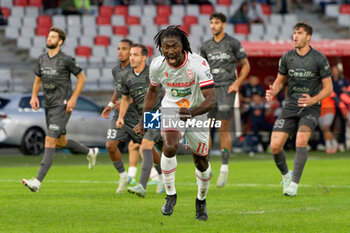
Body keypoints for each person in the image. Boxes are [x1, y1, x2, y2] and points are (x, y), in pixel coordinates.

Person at [133, 25, 215, 221]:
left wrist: (192, 113)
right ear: (161, 47)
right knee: (169, 146)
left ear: (183, 46)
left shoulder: (198, 64)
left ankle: (201, 201)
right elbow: (152, 92)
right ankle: (170, 195)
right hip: (170, 110)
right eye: (165, 46)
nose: (170, 50)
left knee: (201, 163)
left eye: (174, 46)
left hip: (196, 113)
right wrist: (145, 119)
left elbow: (211, 99)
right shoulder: (157, 65)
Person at [22, 27, 99, 192]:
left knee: (49, 140)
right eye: (48, 36)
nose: (49, 39)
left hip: (62, 106)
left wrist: (73, 99)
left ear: (60, 41)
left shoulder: (66, 60)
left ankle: (37, 181)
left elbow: (81, 78)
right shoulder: (41, 59)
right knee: (60, 143)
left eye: (52, 37)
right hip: (48, 106)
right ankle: (90, 151)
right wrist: (34, 96)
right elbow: (37, 80)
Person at [265, 22, 333, 196]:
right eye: (294, 33)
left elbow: (328, 88)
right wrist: (273, 91)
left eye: (300, 33)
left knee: (300, 141)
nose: (295, 36)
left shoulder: (319, 58)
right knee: (274, 146)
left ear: (308, 37)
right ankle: (287, 176)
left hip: (310, 108)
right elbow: (280, 81)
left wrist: (313, 100)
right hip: (290, 107)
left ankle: (294, 186)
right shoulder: (287, 57)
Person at [199, 12, 250, 188]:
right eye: (211, 22)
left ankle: (224, 168)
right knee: (206, 129)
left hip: (226, 88)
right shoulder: (206, 46)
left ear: (224, 24)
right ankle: (208, 168)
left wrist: (237, 83)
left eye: (217, 22)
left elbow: (246, 65)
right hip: (209, 90)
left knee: (222, 128)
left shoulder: (233, 43)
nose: (213, 25)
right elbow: (200, 68)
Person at [115, 44, 164, 197]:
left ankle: (142, 186)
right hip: (144, 117)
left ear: (144, 57)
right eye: (130, 54)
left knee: (145, 146)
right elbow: (125, 98)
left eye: (135, 54)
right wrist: (121, 117)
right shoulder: (126, 76)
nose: (131, 57)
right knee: (167, 149)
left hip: (160, 113)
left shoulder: (153, 73)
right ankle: (195, 150)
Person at [101, 39, 143, 194]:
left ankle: (160, 174)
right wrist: (111, 105)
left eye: (124, 49)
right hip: (119, 116)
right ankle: (123, 175)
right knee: (110, 146)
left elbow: (141, 93)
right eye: (118, 48)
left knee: (148, 148)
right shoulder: (116, 70)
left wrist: (127, 101)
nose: (120, 51)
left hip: (136, 116)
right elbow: (118, 89)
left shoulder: (137, 70)